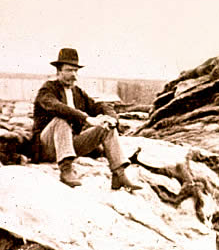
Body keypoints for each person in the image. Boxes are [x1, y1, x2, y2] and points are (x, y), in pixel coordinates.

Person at [32, 48, 141, 191]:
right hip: (47, 146)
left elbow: (99, 106)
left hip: (70, 145)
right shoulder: (47, 90)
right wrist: (87, 119)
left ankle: (119, 174)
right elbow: (58, 107)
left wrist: (112, 119)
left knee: (105, 127)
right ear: (58, 72)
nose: (74, 75)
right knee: (61, 119)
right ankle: (66, 170)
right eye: (69, 70)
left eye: (76, 71)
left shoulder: (78, 93)